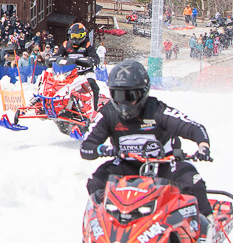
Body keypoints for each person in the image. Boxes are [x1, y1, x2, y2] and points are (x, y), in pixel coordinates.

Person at [80, 59, 213, 219]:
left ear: (143, 92)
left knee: (194, 183)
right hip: (127, 165)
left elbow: (194, 128)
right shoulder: (107, 114)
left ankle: (208, 227)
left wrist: (203, 146)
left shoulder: (158, 111)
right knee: (96, 183)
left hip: (164, 164)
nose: (124, 103)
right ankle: (106, 223)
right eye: (118, 95)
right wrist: (102, 149)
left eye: (130, 96)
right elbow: (86, 147)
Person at [58, 22, 101, 111]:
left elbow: (95, 58)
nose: (75, 38)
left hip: (85, 72)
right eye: (73, 36)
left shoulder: (88, 45)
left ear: (83, 35)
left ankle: (95, 109)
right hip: (69, 73)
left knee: (94, 86)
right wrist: (52, 59)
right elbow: (57, 55)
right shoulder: (66, 45)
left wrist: (91, 61)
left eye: (77, 36)